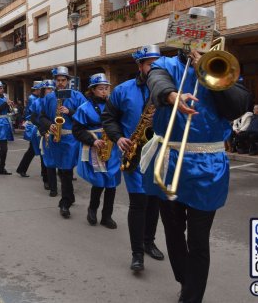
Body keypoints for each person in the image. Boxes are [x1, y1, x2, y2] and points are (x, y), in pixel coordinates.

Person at [143, 40, 250, 303]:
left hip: (209, 164)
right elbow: (156, 81)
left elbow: (237, 106)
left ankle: (191, 297)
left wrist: (208, 71)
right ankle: (185, 280)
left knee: (199, 239)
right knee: (173, 231)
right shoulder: (164, 65)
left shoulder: (224, 67)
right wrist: (171, 96)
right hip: (170, 159)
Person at [102, 45, 165, 272]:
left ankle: (149, 242)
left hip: (161, 153)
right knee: (139, 203)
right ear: (140, 66)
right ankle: (137, 253)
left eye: (158, 63)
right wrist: (118, 138)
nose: (155, 68)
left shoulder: (169, 88)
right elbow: (109, 118)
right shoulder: (122, 90)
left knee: (155, 202)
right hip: (135, 152)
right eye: (150, 64)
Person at [73, 73, 121, 229]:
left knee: (112, 183)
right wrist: (93, 141)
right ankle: (92, 210)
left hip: (112, 147)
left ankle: (107, 216)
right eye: (101, 89)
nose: (105, 92)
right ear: (92, 90)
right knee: (99, 183)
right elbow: (77, 130)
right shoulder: (84, 108)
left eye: (107, 88)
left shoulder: (114, 106)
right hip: (96, 147)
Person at [38, 66, 86, 218]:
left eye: (63, 80)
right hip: (55, 138)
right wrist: (49, 125)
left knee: (65, 170)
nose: (60, 83)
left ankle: (65, 202)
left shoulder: (77, 96)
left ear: (68, 81)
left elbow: (87, 116)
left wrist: (71, 112)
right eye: (58, 80)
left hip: (71, 139)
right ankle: (68, 198)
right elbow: (42, 117)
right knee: (62, 170)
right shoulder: (49, 97)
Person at [15, 81, 44, 177]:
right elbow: (33, 114)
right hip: (34, 126)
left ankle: (22, 169)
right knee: (35, 149)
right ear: (37, 89)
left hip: (35, 125)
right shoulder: (33, 99)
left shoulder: (36, 98)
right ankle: (22, 169)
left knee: (35, 149)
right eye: (41, 89)